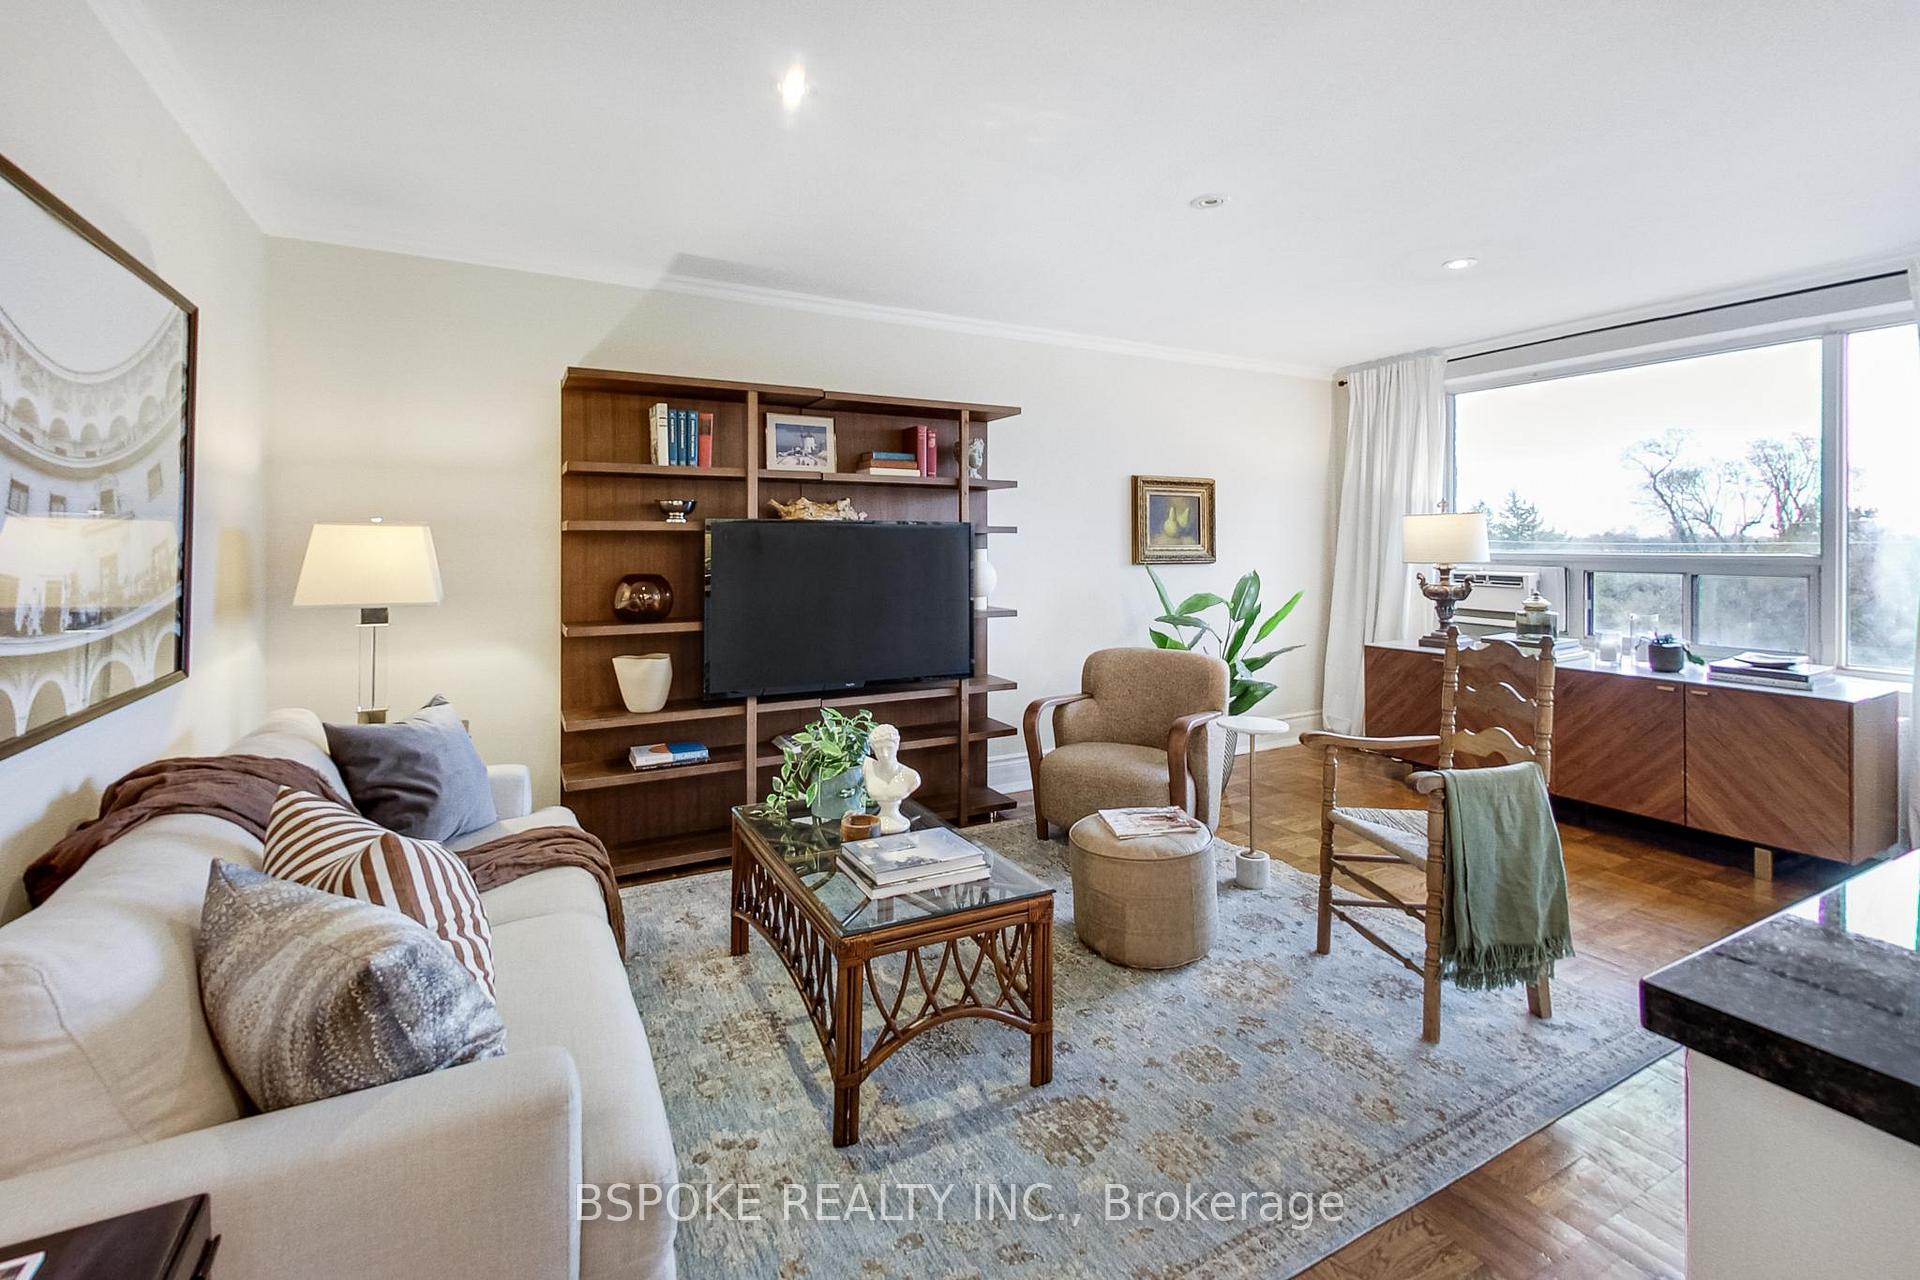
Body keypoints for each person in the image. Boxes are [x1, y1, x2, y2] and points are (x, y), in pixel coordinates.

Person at [861, 723, 920, 834]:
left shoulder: (911, 777)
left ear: (897, 746)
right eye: (879, 749)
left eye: (889, 748)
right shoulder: (867, 768)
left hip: (899, 825)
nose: (884, 754)